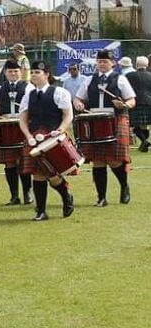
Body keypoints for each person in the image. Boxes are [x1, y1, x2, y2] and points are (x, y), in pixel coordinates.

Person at [73, 50, 136, 206]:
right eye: (99, 61)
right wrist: (78, 104)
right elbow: (78, 98)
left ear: (112, 63)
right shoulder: (89, 80)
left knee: (115, 160)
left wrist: (124, 105)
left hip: (115, 118)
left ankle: (124, 186)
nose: (102, 64)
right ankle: (101, 198)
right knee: (98, 161)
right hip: (94, 121)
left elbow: (132, 100)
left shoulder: (120, 79)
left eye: (105, 61)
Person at [19, 61, 76, 221]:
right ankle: (41, 212)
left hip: (53, 138)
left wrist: (60, 130)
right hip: (34, 139)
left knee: (53, 175)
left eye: (38, 72)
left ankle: (66, 196)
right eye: (33, 72)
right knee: (37, 175)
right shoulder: (28, 95)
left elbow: (68, 115)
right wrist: (28, 135)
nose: (34, 75)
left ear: (47, 75)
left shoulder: (59, 92)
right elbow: (22, 119)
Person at [0, 61, 35, 206]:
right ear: (6, 73)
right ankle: (14, 196)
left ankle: (27, 193)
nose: (13, 74)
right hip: (5, 126)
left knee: (23, 160)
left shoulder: (28, 87)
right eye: (10, 72)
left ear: (20, 72)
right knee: (9, 163)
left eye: (15, 71)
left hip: (23, 126)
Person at [126, 56, 151, 152]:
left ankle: (144, 141)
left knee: (135, 125)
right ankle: (144, 143)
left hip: (135, 103)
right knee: (144, 125)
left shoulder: (129, 76)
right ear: (147, 64)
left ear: (136, 65)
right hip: (149, 103)